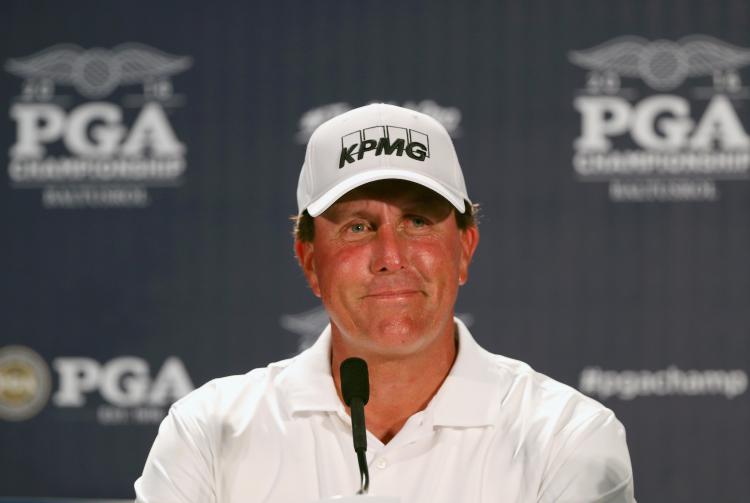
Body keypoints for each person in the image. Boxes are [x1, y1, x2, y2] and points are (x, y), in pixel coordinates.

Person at [135, 103, 635, 502]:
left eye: (417, 221)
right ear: (309, 260)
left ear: (464, 248)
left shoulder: (567, 437)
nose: (390, 257)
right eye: (357, 227)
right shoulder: (208, 431)